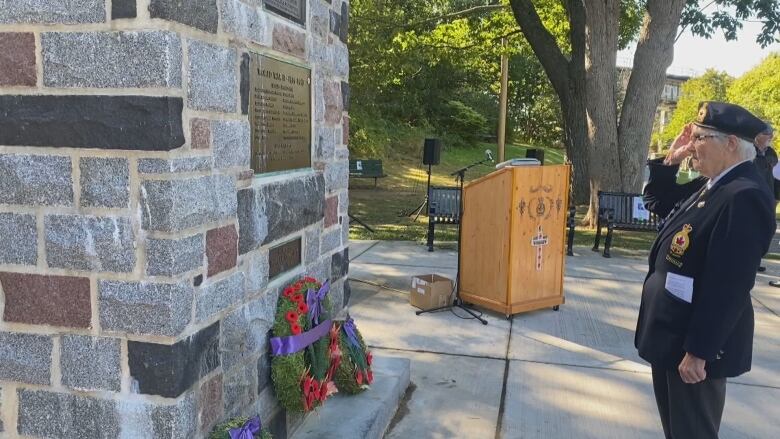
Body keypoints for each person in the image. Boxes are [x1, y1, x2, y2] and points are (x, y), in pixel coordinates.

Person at [635, 101, 775, 439]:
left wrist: (699, 352)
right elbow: (658, 202)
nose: (692, 144)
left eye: (700, 137)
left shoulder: (743, 195)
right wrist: (672, 161)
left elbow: (728, 286)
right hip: (673, 336)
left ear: (729, 143)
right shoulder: (715, 183)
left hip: (693, 348)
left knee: (693, 433)